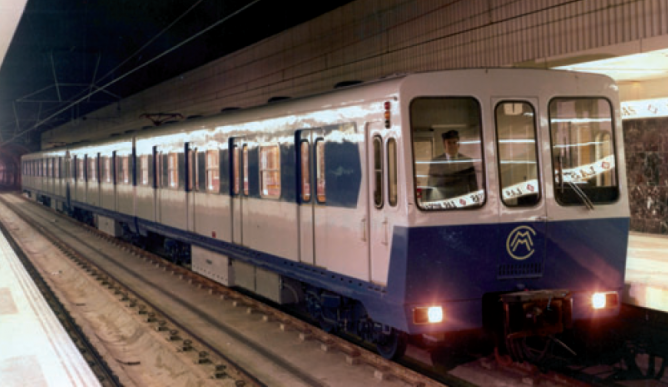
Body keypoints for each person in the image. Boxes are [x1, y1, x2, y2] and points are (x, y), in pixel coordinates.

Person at [426, 130, 478, 201]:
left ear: (458, 145)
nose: (452, 145)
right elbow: (430, 185)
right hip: (443, 203)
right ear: (444, 144)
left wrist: (475, 204)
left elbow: (473, 186)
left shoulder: (467, 161)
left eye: (454, 142)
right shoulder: (436, 162)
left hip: (463, 203)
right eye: (449, 143)